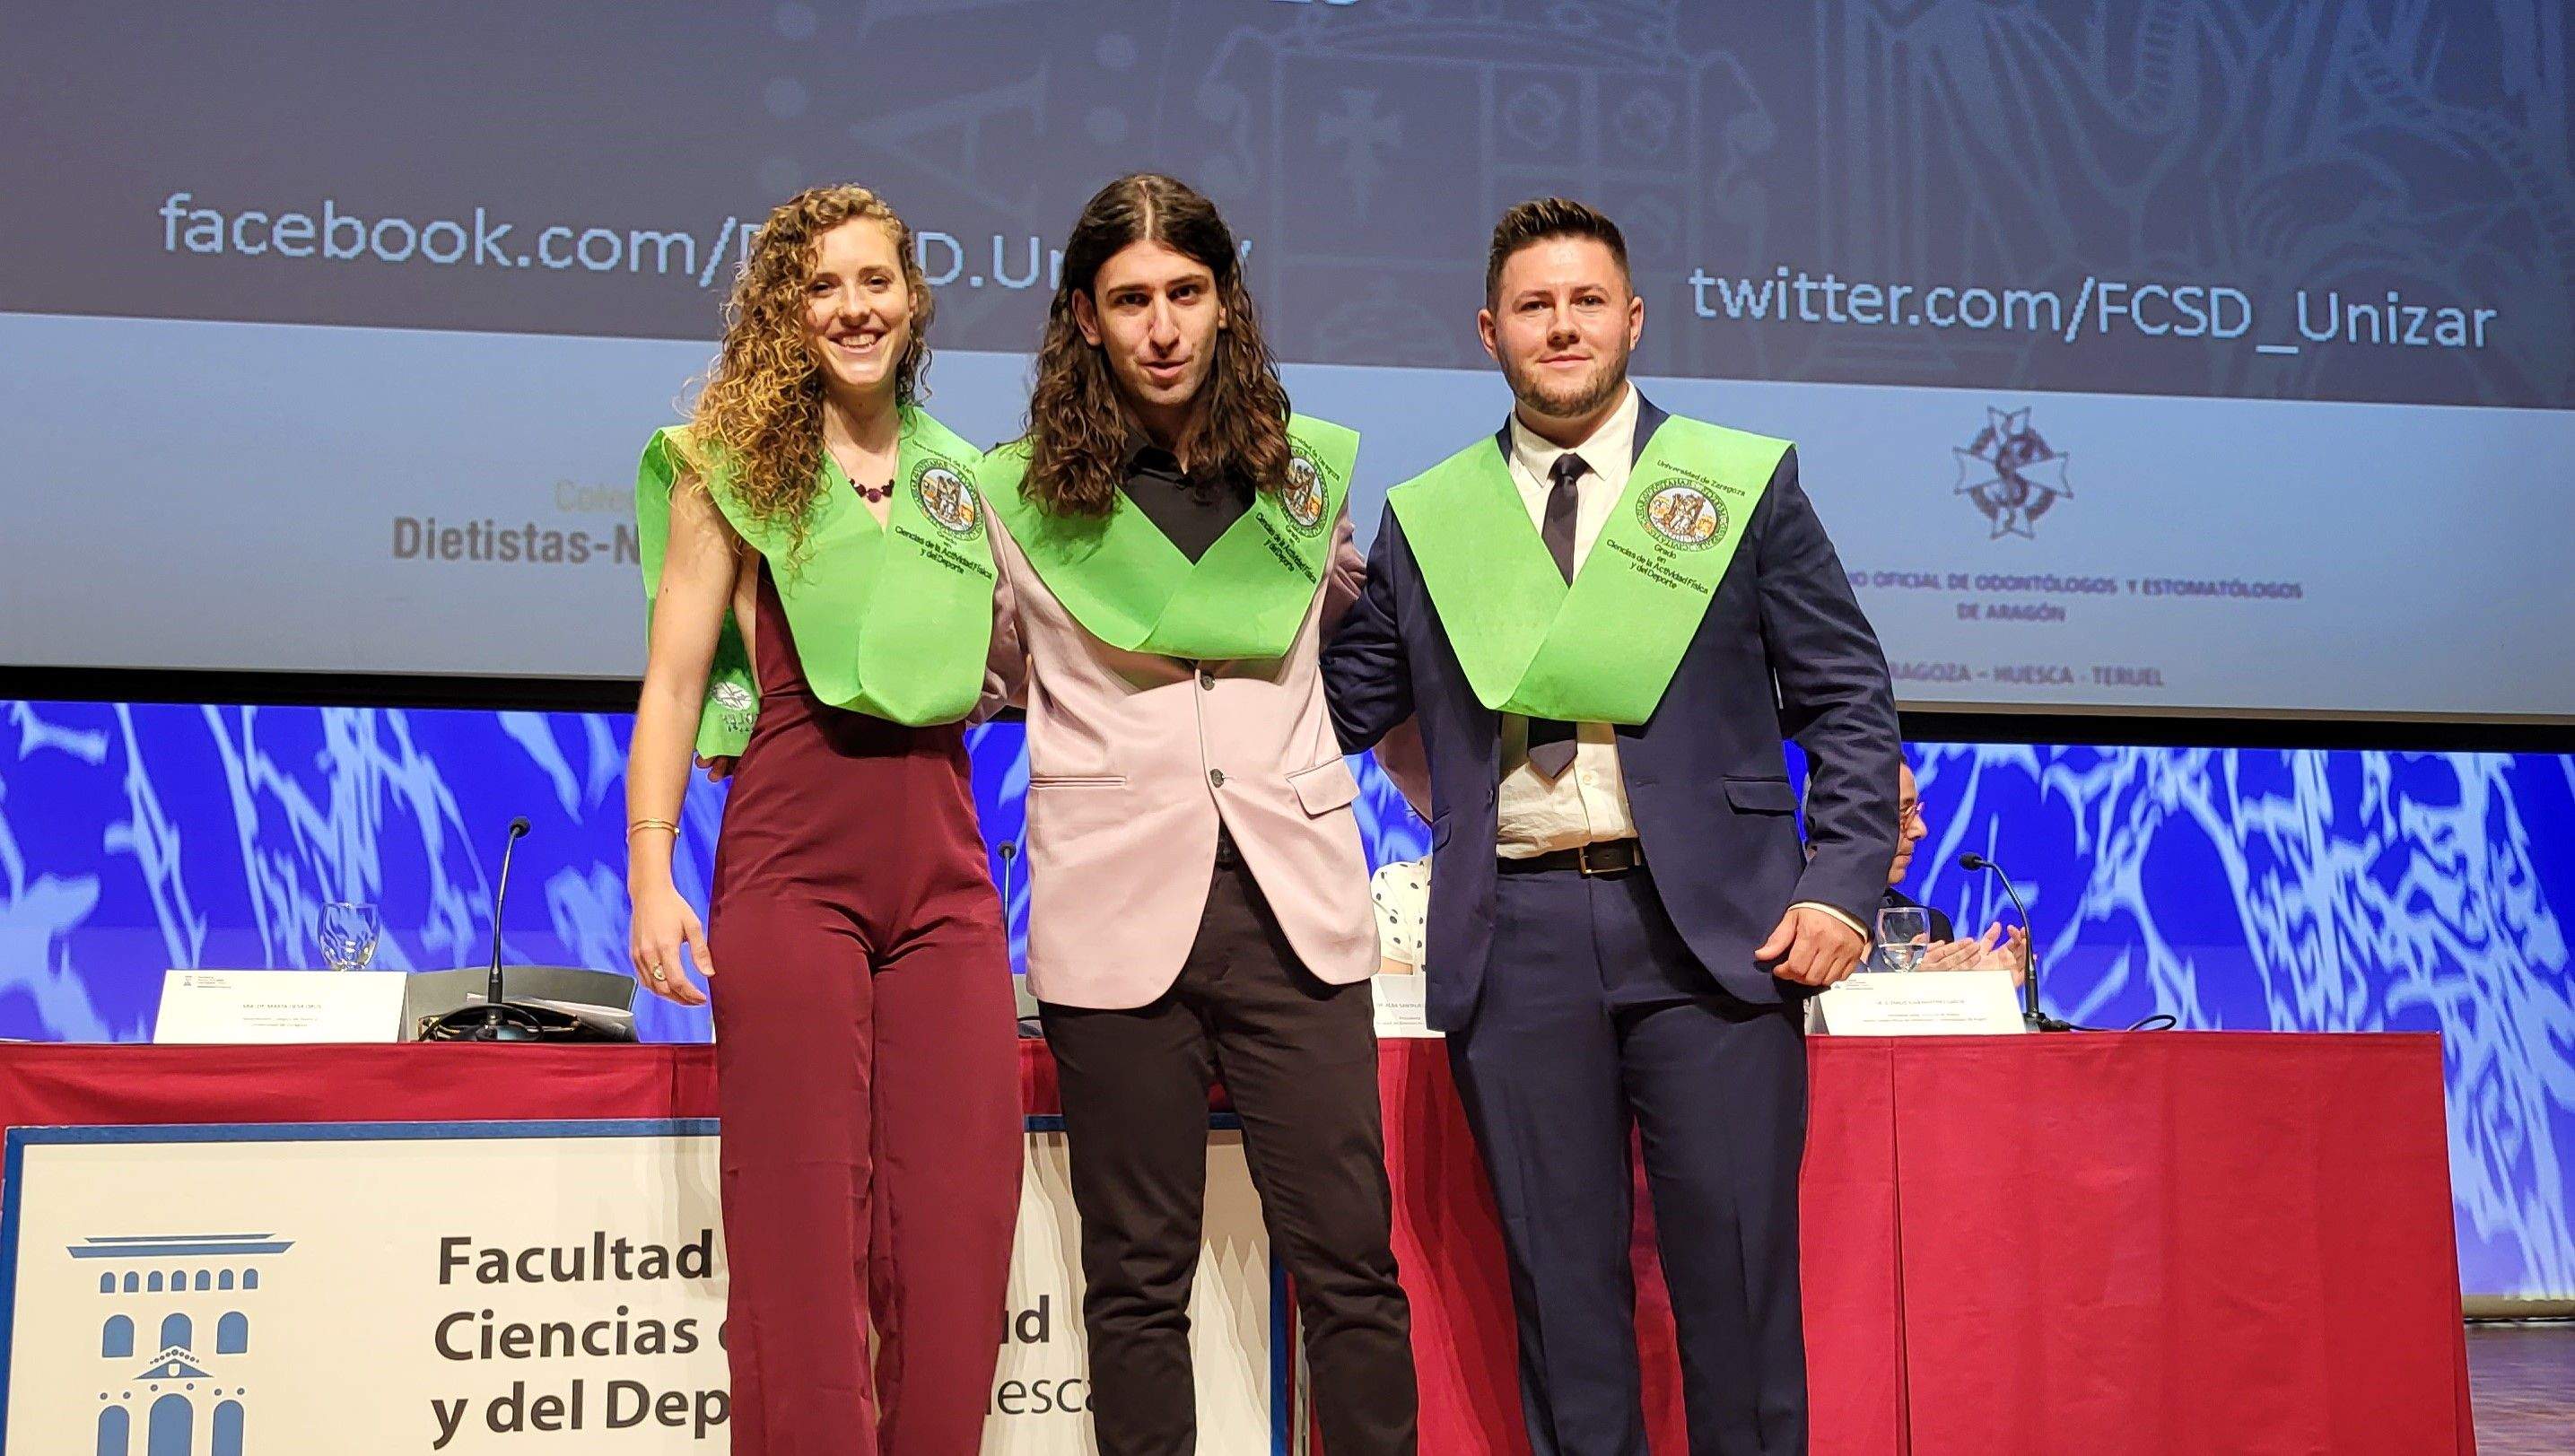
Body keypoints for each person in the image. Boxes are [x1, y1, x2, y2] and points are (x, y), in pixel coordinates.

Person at [1322, 197, 1900, 1455]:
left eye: (1586, 301)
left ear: (1632, 318)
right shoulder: (1433, 519)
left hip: (1717, 937)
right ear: (1488, 331)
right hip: (1515, 935)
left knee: (1738, 1300)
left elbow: (1846, 696)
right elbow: (1331, 709)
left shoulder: (1736, 487)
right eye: (1533, 305)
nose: (1562, 326)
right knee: (1563, 1309)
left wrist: (1842, 881)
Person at [981, 172, 1416, 1456]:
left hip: (1295, 910)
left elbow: (1354, 642)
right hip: (1112, 910)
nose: (1161, 326)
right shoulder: (1013, 497)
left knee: (1349, 1260)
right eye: (1130, 300)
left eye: (1185, 292)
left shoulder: (1302, 479)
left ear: (1226, 300)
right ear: (1083, 316)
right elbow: (984, 671)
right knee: (1134, 1277)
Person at [624, 185, 1021, 1455]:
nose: (853, 307)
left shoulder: (968, 478)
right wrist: (650, 874)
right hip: (791, 863)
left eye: (874, 281)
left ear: (913, 299)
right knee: (798, 1225)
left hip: (946, 874)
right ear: (784, 314)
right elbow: (673, 682)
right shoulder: (730, 469)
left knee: (958, 1224)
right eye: (821, 286)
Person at [1876, 758, 2028, 978]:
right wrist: (1903, 987)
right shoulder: (1819, 921)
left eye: (1916, 811)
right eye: (1904, 813)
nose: (1920, 829)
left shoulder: (1930, 931)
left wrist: (1968, 989)